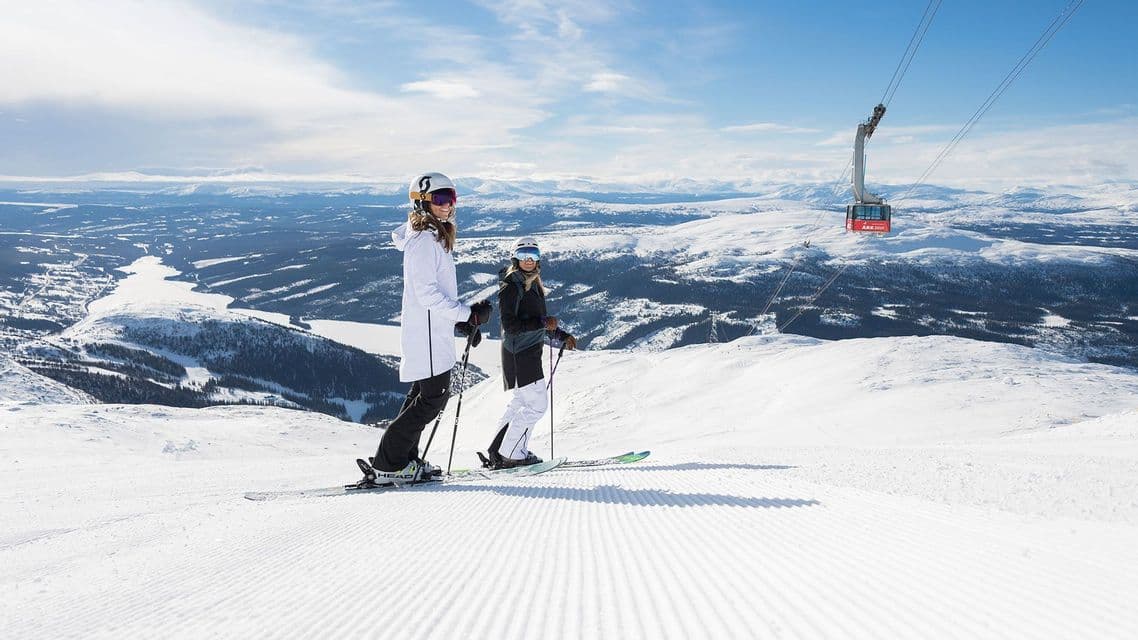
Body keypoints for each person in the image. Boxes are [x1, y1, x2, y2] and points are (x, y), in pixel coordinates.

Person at [363, 172, 491, 484]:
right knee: (433, 399)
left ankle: (404, 458)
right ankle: (389, 463)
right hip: (429, 337)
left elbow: (436, 296)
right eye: (441, 199)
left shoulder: (433, 237)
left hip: (434, 333)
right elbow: (428, 295)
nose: (448, 205)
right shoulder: (423, 242)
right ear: (423, 203)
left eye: (452, 198)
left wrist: (460, 321)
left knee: (422, 396)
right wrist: (465, 314)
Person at [482, 237, 577, 469]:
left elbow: (537, 322)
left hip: (524, 352)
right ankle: (513, 454)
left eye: (534, 255)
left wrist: (560, 335)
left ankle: (498, 451)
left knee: (520, 403)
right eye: (524, 256)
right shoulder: (511, 286)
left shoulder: (531, 282)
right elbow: (511, 325)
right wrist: (543, 322)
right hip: (521, 353)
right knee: (536, 406)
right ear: (515, 258)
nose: (529, 260)